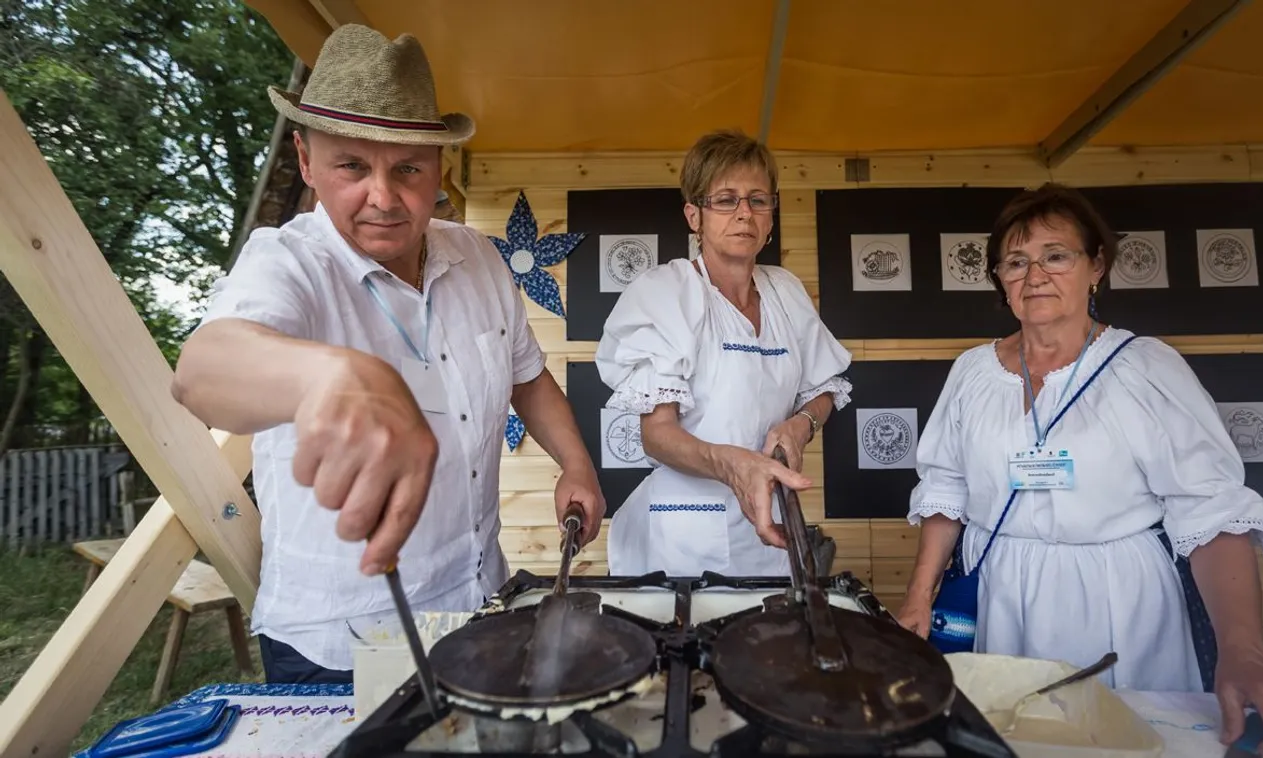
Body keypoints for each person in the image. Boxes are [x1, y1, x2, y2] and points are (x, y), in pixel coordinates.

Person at [171, 24, 604, 683]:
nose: (383, 196)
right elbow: (203, 370)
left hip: (477, 606)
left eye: (407, 167)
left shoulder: (482, 258)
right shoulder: (286, 261)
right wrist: (338, 374)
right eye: (351, 166)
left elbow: (529, 380)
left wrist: (576, 464)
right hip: (338, 647)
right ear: (306, 159)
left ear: (441, 168)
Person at [894, 183, 1263, 756]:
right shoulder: (973, 372)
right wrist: (919, 598)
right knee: (1011, 740)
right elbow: (947, 488)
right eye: (1016, 261)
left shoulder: (1143, 367)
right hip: (1002, 592)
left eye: (1056, 255)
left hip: (1122, 596)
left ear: (1096, 265)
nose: (1034, 274)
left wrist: (1245, 654)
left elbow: (1211, 511)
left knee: (1129, 739)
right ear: (998, 277)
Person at [594, 130, 852, 577]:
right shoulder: (665, 293)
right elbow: (657, 434)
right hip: (684, 539)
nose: (744, 214)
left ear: (772, 215)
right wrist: (732, 464)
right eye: (726, 200)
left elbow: (824, 388)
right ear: (694, 215)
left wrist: (801, 424)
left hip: (768, 530)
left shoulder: (786, 292)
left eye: (758, 200)